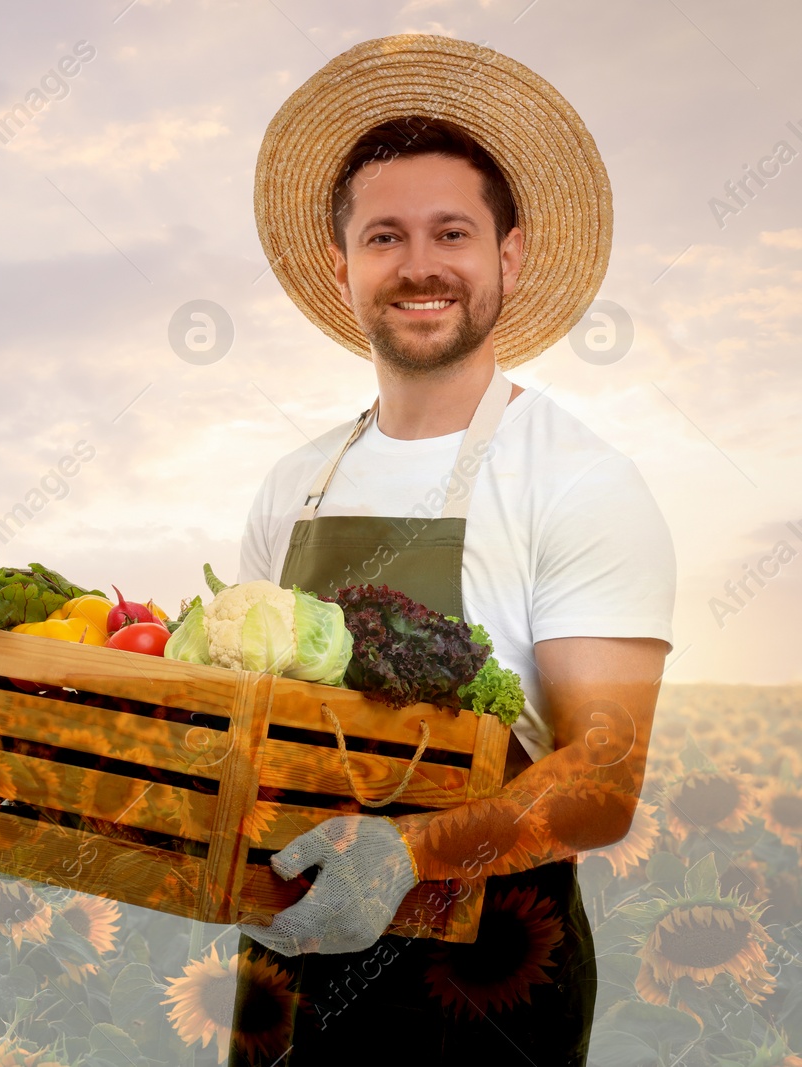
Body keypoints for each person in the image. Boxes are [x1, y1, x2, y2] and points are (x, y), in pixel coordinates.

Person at [226, 35, 676, 1067]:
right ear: (341, 266)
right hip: (283, 979)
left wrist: (406, 856)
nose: (418, 264)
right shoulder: (291, 483)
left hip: (484, 992)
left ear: (506, 257)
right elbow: (249, 726)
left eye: (451, 232)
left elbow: (602, 781)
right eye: (384, 235)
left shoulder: (576, 477)